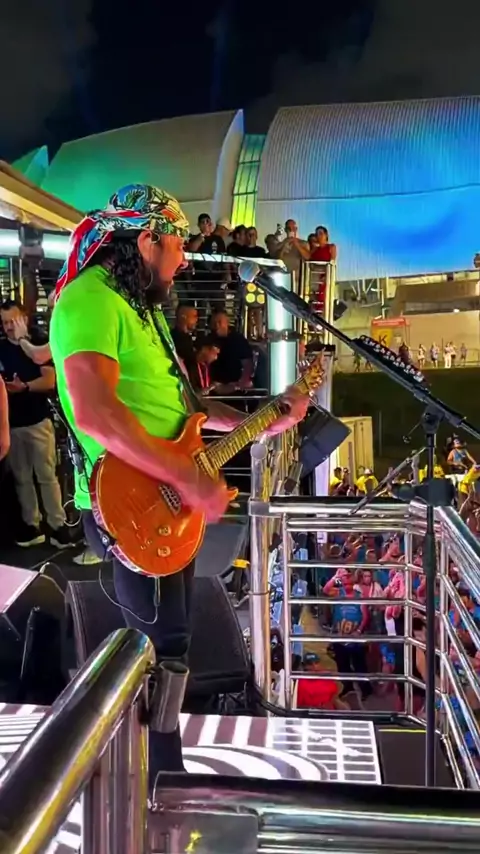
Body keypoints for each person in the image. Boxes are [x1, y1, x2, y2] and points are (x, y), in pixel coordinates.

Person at [49, 183, 308, 784]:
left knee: (171, 643)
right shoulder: (90, 300)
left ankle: (156, 772)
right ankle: (154, 780)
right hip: (133, 500)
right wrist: (186, 478)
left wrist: (264, 418)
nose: (185, 260)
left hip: (163, 491)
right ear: (148, 241)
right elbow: (94, 412)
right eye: (178, 245)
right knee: (160, 648)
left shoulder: (137, 307)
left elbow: (184, 410)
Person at [0, 300, 70, 548]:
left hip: (38, 420)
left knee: (46, 475)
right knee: (22, 478)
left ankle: (58, 524)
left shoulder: (39, 342)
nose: (9, 327)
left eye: (13, 321)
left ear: (24, 318)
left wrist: (25, 387)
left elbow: (50, 380)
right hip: (13, 424)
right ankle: (32, 525)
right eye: (5, 322)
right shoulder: (1, 348)